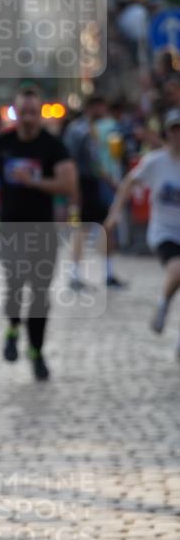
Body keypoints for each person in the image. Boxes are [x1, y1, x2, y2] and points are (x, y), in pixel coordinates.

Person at [0, 86, 76, 381]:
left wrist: (35, 181)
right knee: (16, 281)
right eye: (22, 112)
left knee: (40, 292)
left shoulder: (52, 146)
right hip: (10, 228)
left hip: (44, 229)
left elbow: (68, 184)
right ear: (16, 113)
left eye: (33, 112)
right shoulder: (2, 142)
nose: (27, 118)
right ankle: (13, 327)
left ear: (40, 113)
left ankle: (37, 351)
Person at [105, 108, 180, 357]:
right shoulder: (155, 162)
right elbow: (129, 182)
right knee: (177, 269)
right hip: (164, 231)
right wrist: (115, 213)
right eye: (174, 130)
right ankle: (163, 304)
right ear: (167, 134)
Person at [63, 95, 128, 290]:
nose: (104, 113)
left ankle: (108, 273)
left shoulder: (94, 129)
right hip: (84, 184)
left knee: (106, 226)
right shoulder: (79, 130)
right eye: (101, 108)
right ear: (94, 107)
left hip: (95, 183)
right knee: (82, 229)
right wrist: (74, 190)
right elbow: (74, 162)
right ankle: (75, 274)